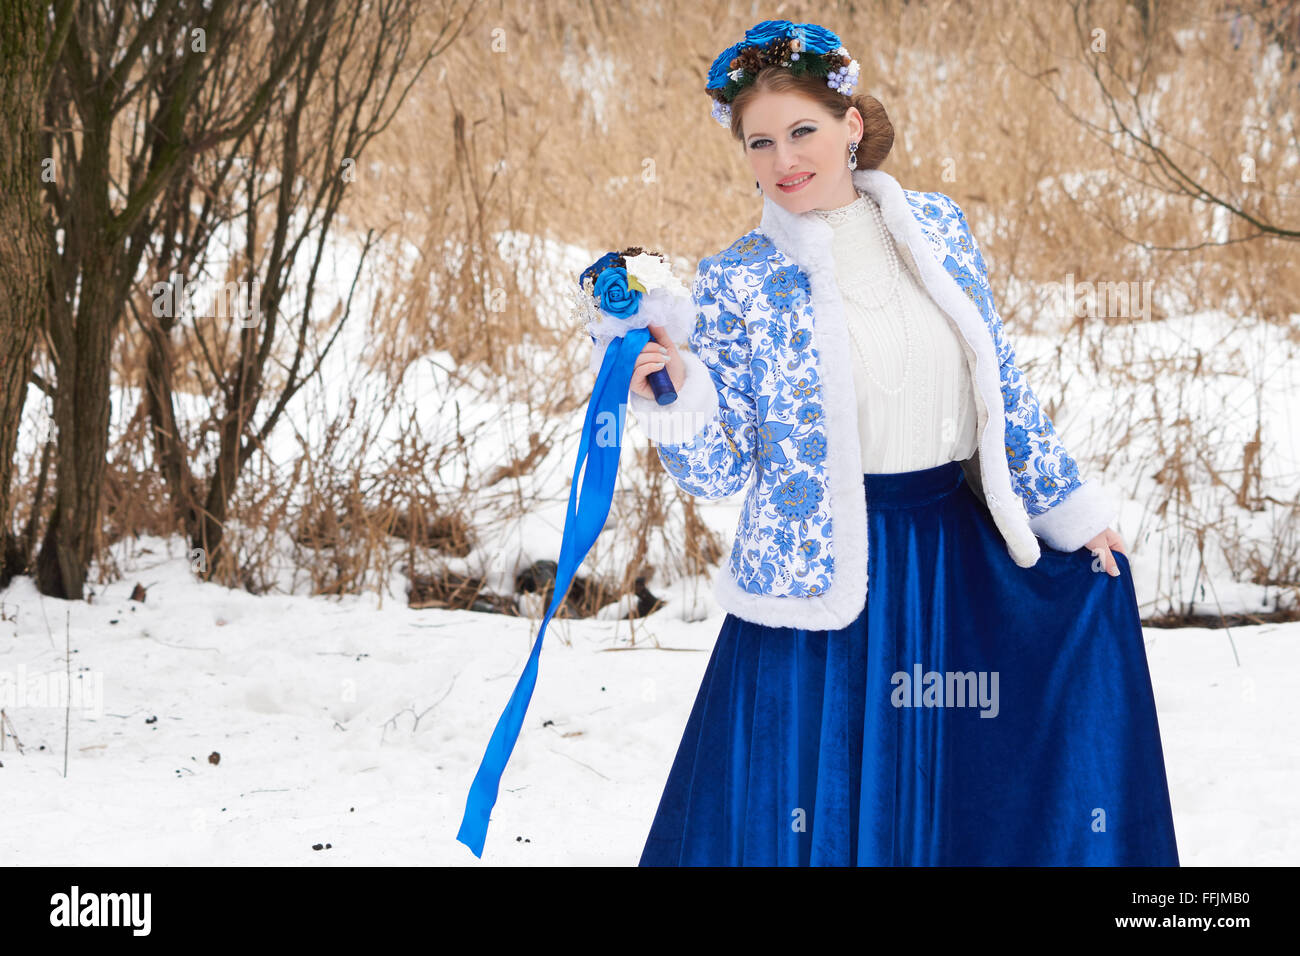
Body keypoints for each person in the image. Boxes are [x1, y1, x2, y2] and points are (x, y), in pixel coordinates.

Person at [624, 19, 1180, 866]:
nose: (783, 159)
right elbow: (723, 469)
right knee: (818, 803)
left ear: (851, 126)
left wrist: (1071, 512)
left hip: (955, 557)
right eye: (760, 142)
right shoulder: (737, 279)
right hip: (817, 586)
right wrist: (670, 393)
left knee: (963, 792)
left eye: (802, 130)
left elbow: (1004, 390)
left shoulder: (938, 228)